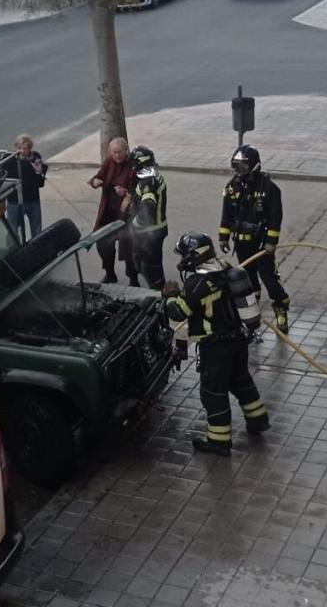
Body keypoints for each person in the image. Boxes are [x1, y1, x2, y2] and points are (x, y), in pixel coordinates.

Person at [164, 232, 270, 455]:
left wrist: (170, 295)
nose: (182, 260)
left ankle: (218, 440)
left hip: (215, 347)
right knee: (241, 381)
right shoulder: (228, 270)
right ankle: (258, 419)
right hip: (238, 341)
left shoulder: (197, 284)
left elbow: (177, 312)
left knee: (213, 392)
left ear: (193, 257)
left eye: (184, 256)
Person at [219, 145, 290, 333]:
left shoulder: (269, 189)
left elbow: (276, 218)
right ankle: (252, 314)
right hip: (242, 244)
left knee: (270, 280)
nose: (239, 170)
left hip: (261, 245)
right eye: (236, 166)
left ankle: (281, 310)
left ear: (254, 165)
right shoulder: (232, 187)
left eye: (243, 165)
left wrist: (270, 242)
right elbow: (227, 215)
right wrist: (223, 237)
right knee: (248, 281)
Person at [88, 137, 137, 284]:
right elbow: (98, 177)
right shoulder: (109, 163)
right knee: (103, 243)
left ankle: (133, 278)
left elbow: (138, 191)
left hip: (126, 215)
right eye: (114, 152)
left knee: (128, 247)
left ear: (126, 151)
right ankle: (110, 274)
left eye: (120, 152)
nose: (117, 156)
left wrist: (126, 192)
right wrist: (95, 182)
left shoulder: (132, 166)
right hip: (108, 213)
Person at [129, 145, 169, 289]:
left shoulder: (147, 183)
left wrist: (135, 223)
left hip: (151, 232)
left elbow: (148, 210)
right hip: (157, 229)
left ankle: (160, 297)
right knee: (148, 264)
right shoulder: (153, 177)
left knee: (152, 268)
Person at [2, 135, 48, 240]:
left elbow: (40, 183)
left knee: (36, 230)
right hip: (14, 201)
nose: (21, 151)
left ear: (30, 149)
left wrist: (37, 171)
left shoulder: (35, 158)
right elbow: (2, 176)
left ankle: (37, 250)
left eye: (25, 148)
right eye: (19, 148)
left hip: (32, 200)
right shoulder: (8, 159)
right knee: (12, 231)